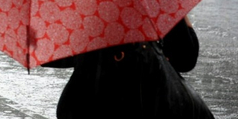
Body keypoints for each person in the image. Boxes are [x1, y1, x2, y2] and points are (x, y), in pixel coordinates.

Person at [44, 16, 214, 118]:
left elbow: (50, 57)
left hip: (88, 105)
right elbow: (185, 58)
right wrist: (178, 10)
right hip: (145, 103)